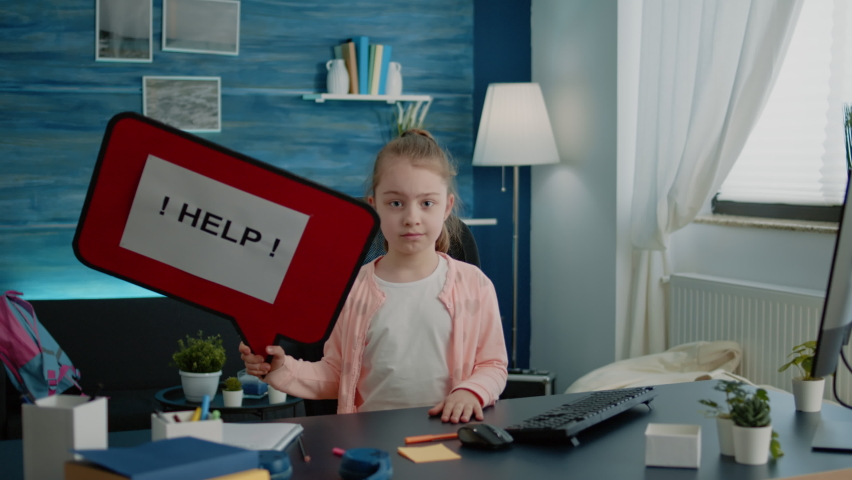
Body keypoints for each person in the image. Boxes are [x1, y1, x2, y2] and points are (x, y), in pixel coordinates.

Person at [239, 129, 508, 423]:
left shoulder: (474, 285)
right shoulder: (353, 290)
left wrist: (471, 392)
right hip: (371, 439)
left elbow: (493, 365)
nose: (411, 217)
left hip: (449, 433)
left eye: (427, 203)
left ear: (447, 207)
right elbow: (338, 376)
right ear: (374, 206)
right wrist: (282, 369)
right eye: (395, 203)